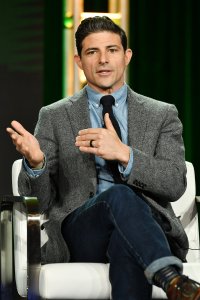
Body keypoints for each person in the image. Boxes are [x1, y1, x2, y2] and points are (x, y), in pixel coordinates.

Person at [7, 16, 200, 300]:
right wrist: (36, 164)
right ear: (79, 61)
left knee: (126, 242)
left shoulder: (162, 114)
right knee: (119, 196)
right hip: (83, 233)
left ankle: (168, 278)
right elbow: (41, 202)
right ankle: (170, 277)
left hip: (150, 229)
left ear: (127, 56)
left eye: (112, 50)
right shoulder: (54, 116)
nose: (103, 60)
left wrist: (124, 154)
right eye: (92, 52)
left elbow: (174, 184)